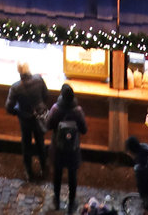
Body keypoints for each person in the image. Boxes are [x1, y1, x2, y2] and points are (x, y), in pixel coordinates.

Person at [44, 82, 88, 213]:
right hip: (73, 150)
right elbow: (84, 130)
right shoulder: (78, 111)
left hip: (58, 149)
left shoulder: (55, 109)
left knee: (57, 175)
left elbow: (47, 126)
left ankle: (56, 200)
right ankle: (71, 203)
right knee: (72, 176)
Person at [5, 60, 50, 183]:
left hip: (25, 120)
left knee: (26, 144)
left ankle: (29, 171)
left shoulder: (16, 88)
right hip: (39, 117)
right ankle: (44, 167)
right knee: (40, 142)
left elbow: (9, 107)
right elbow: (46, 95)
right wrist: (41, 107)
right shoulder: (39, 80)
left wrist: (18, 112)